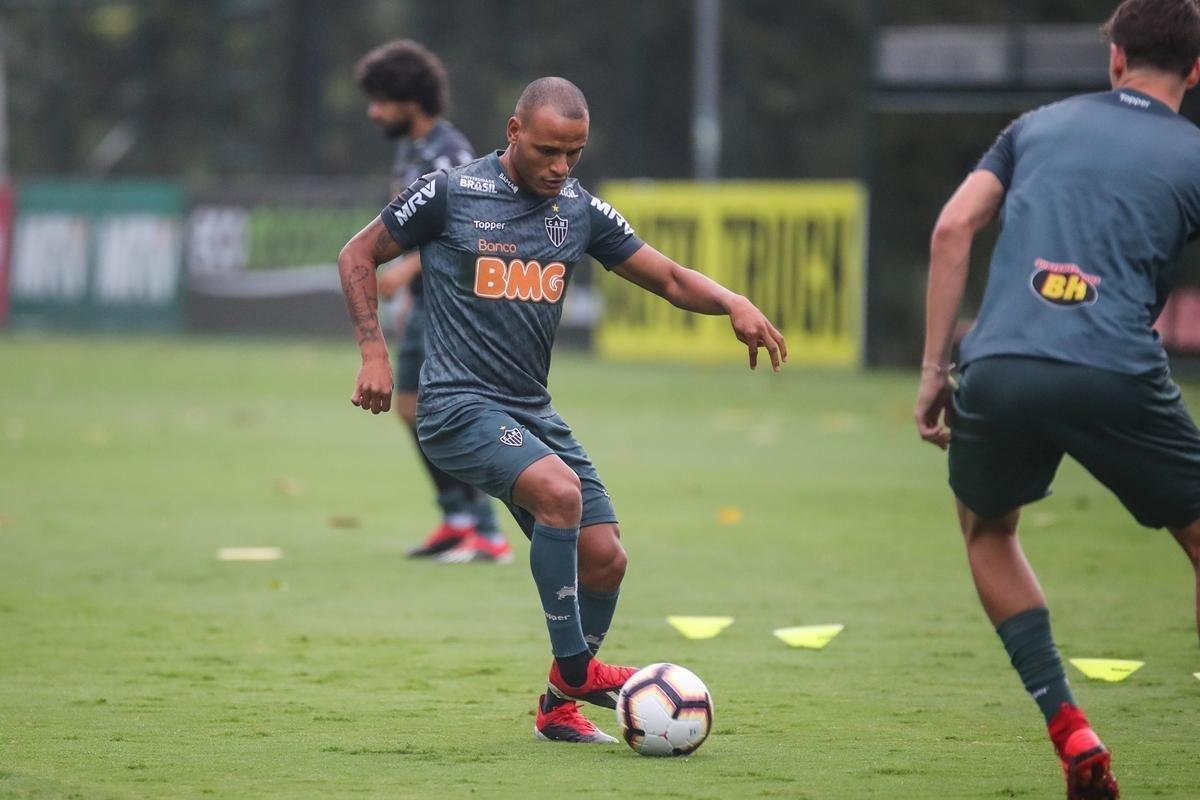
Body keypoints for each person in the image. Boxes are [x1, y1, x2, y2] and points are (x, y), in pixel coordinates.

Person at [338, 77, 787, 742]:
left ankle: (558, 707)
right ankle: (578, 669)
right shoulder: (452, 193)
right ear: (514, 132)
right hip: (456, 407)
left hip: (529, 411)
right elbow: (357, 255)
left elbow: (666, 277)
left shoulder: (578, 211)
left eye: (573, 154)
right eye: (548, 150)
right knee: (559, 492)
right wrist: (374, 354)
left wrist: (733, 302)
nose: (559, 167)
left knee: (605, 558)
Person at [915, 1, 1200, 797]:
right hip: (1117, 366)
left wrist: (937, 369)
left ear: (1114, 58)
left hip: (1000, 365)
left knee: (988, 533)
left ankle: (1068, 724)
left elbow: (951, 229)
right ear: (1198, 70)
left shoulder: (1034, 127)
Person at [354, 39, 510, 563]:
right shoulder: (413, 149)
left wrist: (405, 269)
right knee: (410, 410)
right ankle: (457, 519)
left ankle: (487, 532)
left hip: (455, 307)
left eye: (381, 100)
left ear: (410, 99)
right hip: (426, 305)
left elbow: (469, 231)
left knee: (442, 414)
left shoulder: (451, 154)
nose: (374, 112)